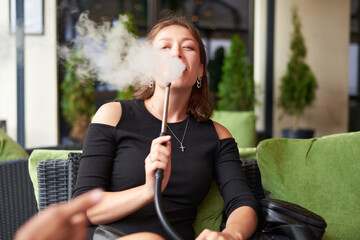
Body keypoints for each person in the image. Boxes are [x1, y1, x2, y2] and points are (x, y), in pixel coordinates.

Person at [73, 13, 259, 240]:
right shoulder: (114, 115)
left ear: (200, 70)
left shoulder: (217, 136)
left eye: (188, 47)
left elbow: (241, 202)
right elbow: (84, 209)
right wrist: (148, 190)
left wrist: (231, 235)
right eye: (164, 47)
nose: (176, 53)